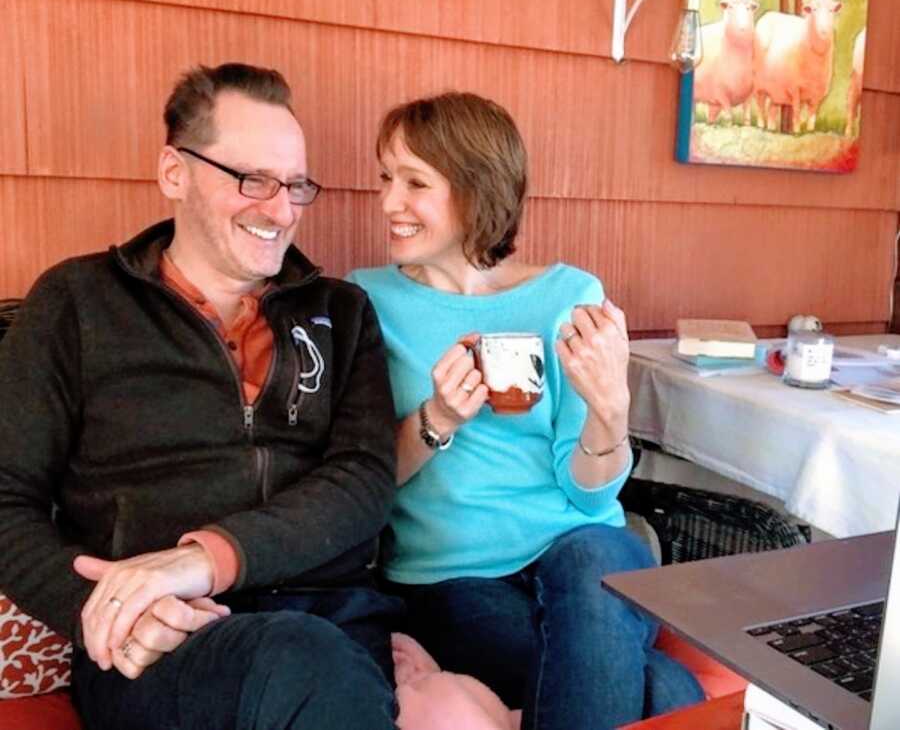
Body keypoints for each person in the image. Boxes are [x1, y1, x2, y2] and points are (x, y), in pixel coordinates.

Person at [0, 63, 403, 730]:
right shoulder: (76, 302)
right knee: (299, 664)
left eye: (296, 185)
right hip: (162, 645)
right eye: (252, 180)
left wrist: (202, 560)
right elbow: (6, 500)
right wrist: (100, 608)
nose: (280, 211)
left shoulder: (342, 312)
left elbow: (363, 479)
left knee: (310, 660)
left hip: (329, 618)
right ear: (173, 173)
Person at [347, 92, 705, 730]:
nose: (388, 203)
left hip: (579, 550)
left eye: (414, 183)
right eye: (386, 178)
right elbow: (363, 482)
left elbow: (590, 497)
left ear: (475, 189)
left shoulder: (570, 296)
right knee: (664, 686)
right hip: (451, 581)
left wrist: (609, 406)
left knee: (598, 554)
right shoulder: (366, 301)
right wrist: (438, 420)